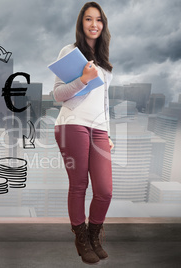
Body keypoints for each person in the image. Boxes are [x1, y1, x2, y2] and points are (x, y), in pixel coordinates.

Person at [52, 2, 114, 264]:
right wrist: (84, 80)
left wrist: (108, 134)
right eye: (88, 19)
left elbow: (105, 102)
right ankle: (81, 237)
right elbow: (57, 95)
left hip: (98, 128)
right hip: (72, 124)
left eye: (98, 20)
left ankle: (93, 233)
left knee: (105, 190)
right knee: (79, 185)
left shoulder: (106, 63)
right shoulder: (71, 51)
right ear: (81, 24)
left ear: (103, 24)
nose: (94, 24)